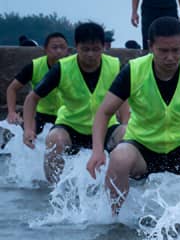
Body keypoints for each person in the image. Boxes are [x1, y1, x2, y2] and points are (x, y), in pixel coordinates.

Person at [85, 18, 180, 216]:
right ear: (151, 47)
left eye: (176, 50)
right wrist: (97, 150)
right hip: (143, 148)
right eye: (163, 51)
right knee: (119, 158)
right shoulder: (133, 70)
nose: (170, 58)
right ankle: (114, 218)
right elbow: (104, 112)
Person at [22, 22, 127, 183]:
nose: (91, 54)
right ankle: (53, 190)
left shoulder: (114, 65)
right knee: (54, 139)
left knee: (127, 136)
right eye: (85, 49)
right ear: (76, 47)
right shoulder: (62, 67)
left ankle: (120, 186)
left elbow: (123, 98)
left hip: (106, 126)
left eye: (96, 49)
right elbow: (32, 98)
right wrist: (28, 129)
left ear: (103, 47)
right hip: (71, 126)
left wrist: (125, 123)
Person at [7, 32, 69, 134]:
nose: (59, 51)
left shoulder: (75, 66)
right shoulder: (35, 66)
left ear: (67, 50)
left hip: (67, 114)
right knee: (27, 136)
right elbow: (12, 88)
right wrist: (11, 112)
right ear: (45, 49)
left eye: (62, 47)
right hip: (41, 113)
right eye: (54, 47)